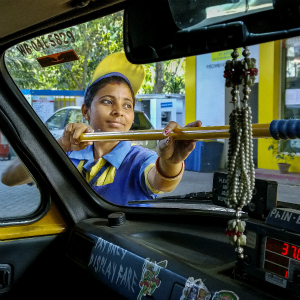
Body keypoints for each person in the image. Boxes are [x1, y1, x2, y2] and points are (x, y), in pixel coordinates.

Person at [2, 52, 201, 206]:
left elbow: (160, 182)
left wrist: (171, 162)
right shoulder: (66, 155)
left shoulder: (140, 159)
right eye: (107, 101)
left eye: (127, 105)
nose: (118, 112)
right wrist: (61, 146)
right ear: (86, 111)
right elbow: (9, 178)